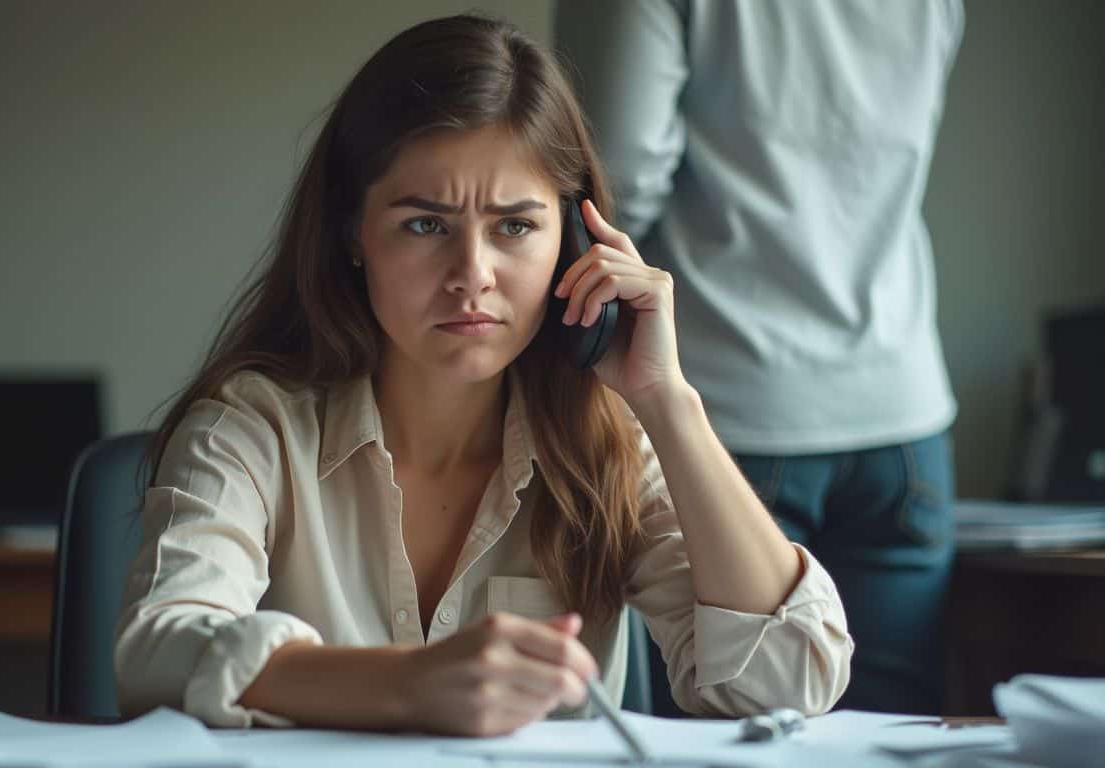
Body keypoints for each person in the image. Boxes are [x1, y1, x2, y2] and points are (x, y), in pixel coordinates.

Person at [114, 14, 852, 735]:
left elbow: (785, 683)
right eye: (425, 224)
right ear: (353, 233)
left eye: (515, 226)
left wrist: (668, 401)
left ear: (574, 244)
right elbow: (156, 652)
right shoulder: (252, 428)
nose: (472, 275)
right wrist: (409, 684)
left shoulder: (610, 443)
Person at [556, 0, 962, 714]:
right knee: (887, 734)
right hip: (902, 405)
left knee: (729, 727)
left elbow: (611, 181)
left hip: (731, 401)